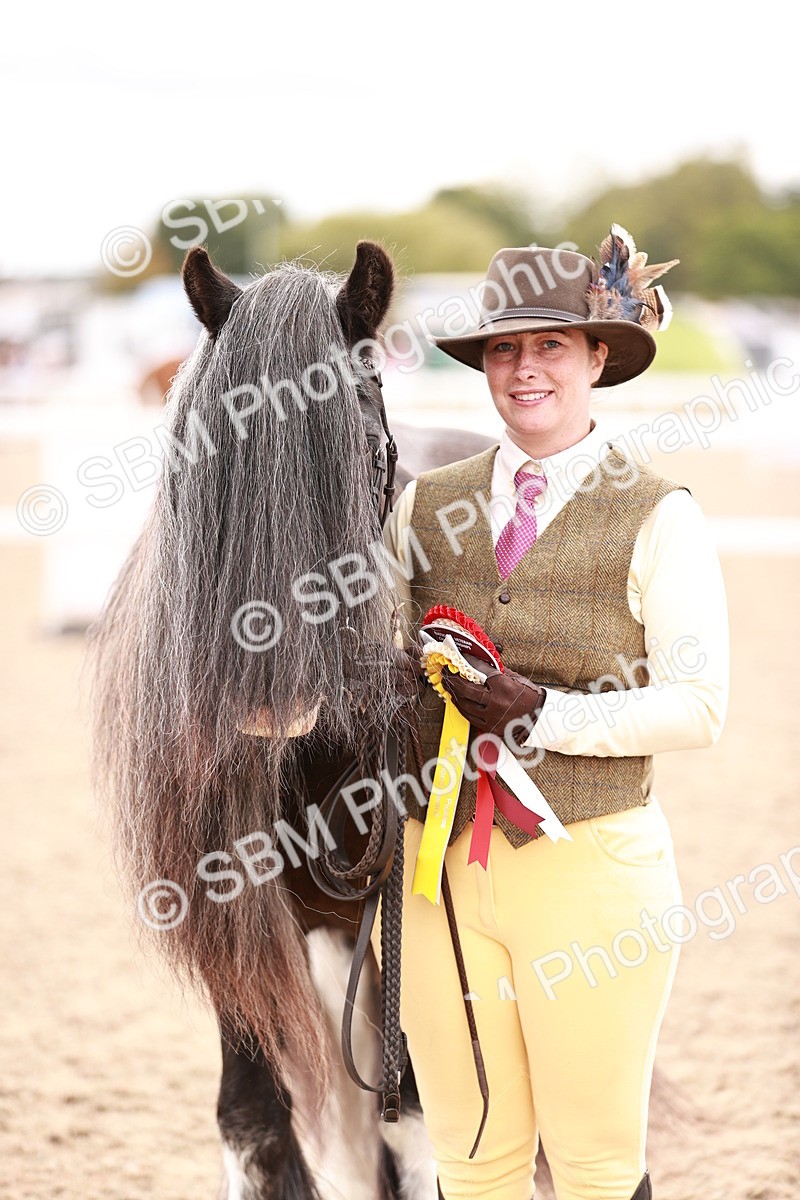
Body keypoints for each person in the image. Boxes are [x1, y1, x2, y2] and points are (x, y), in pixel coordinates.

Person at [373, 233, 729, 1200]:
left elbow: (699, 707)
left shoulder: (660, 515)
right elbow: (365, 661)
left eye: (551, 347)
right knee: (470, 1158)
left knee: (593, 1164)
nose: (525, 369)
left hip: (592, 867)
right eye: (503, 349)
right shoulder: (423, 507)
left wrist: (540, 712)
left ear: (597, 357)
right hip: (435, 872)